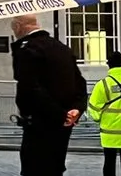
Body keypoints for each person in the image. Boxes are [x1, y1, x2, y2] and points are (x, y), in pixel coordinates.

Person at [10, 15, 88, 176]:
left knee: (34, 168)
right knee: (55, 167)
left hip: (40, 122)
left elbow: (30, 89)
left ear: (18, 26)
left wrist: (60, 114)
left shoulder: (28, 50)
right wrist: (76, 109)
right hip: (63, 125)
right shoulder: (62, 48)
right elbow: (80, 82)